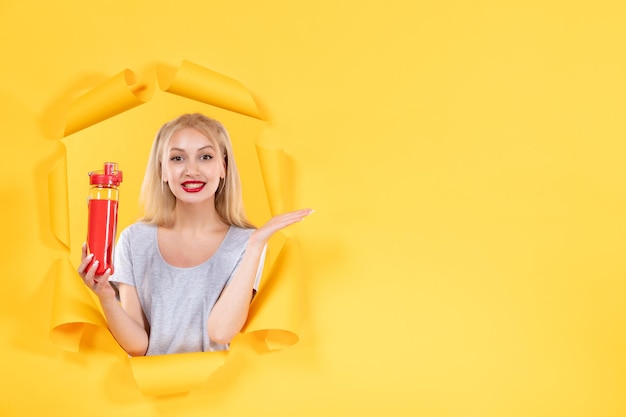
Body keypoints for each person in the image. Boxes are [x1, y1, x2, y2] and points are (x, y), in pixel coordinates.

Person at [77, 113, 312, 356]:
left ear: (223, 167)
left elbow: (221, 332)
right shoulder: (134, 240)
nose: (191, 170)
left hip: (222, 389)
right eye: (177, 158)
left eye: (205, 157)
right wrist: (105, 297)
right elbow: (139, 346)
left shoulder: (247, 243)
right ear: (164, 171)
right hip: (151, 388)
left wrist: (255, 246)